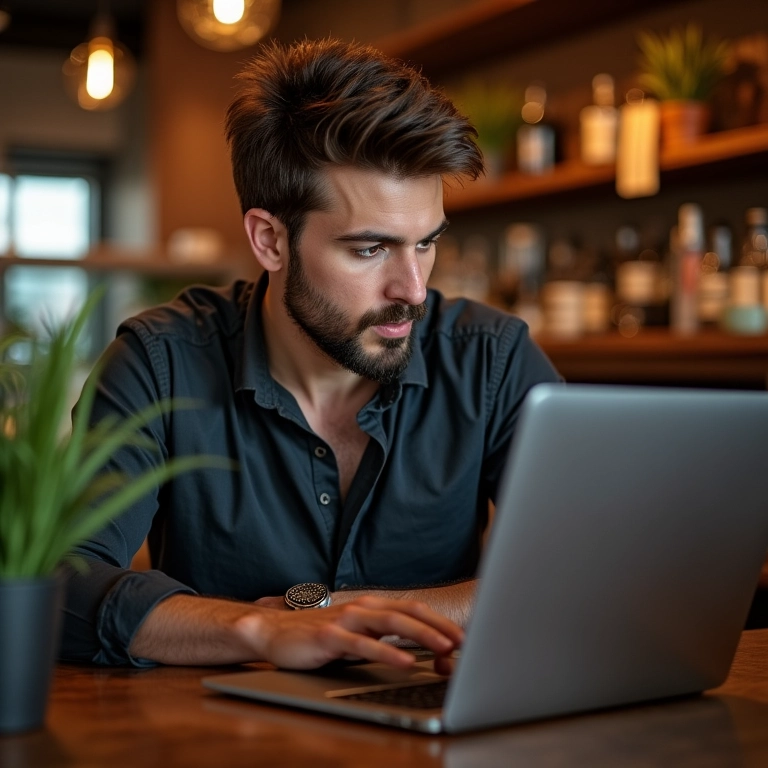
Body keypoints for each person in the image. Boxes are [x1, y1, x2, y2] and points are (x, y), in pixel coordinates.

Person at [62, 38, 560, 670]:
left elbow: (587, 566)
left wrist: (348, 618)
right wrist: (259, 631)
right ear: (270, 240)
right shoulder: (158, 365)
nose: (413, 289)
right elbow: (58, 584)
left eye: (426, 243)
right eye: (370, 249)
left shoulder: (494, 361)